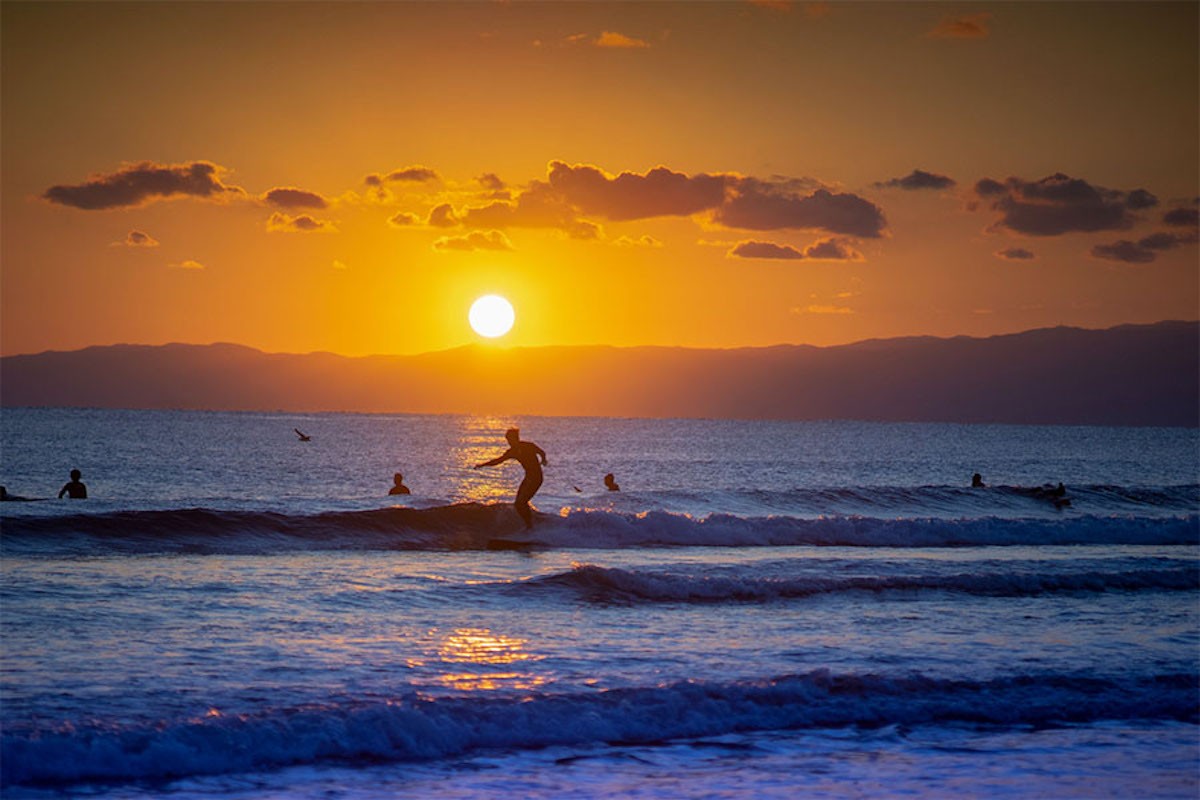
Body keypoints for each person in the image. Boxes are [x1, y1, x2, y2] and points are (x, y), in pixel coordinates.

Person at [474, 428, 547, 529]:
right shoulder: (512, 452)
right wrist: (483, 465)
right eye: (508, 440)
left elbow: (541, 452)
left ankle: (530, 526)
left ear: (516, 438)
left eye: (511, 439)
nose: (509, 442)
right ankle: (530, 524)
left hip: (536, 478)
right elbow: (498, 461)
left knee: (520, 503)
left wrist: (543, 460)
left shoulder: (528, 446)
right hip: (528, 478)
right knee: (518, 504)